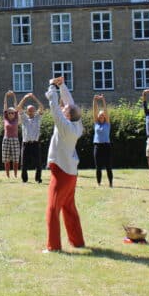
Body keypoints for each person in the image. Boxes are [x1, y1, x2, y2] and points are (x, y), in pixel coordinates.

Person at [44, 76, 85, 253]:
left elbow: (54, 107)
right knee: (69, 208)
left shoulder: (65, 126)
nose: (63, 106)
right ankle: (77, 241)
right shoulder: (77, 125)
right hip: (71, 174)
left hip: (61, 173)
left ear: (67, 115)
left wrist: (52, 86)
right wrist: (63, 86)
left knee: (53, 209)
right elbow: (71, 104)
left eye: (65, 109)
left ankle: (53, 246)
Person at [18, 93, 45, 184]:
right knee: (24, 163)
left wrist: (34, 98)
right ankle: (24, 179)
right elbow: (18, 108)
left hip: (35, 143)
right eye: (29, 110)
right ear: (27, 111)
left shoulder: (38, 117)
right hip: (26, 144)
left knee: (38, 163)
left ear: (34, 111)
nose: (31, 112)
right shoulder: (24, 118)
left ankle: (38, 179)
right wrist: (24, 98)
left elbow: (41, 107)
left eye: (33, 110)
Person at [92, 94, 113, 187]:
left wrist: (103, 100)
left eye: (102, 115)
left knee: (108, 166)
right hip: (97, 146)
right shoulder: (96, 123)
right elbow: (94, 111)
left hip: (106, 146)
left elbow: (105, 110)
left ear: (104, 117)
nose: (101, 116)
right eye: (99, 115)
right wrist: (95, 101)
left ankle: (111, 183)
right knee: (98, 167)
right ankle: (99, 183)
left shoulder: (107, 123)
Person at [2, 91, 21, 179]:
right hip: (6, 139)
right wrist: (5, 95)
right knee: (6, 158)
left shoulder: (16, 118)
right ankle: (7, 175)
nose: (11, 114)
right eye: (9, 112)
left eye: (12, 112)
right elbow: (5, 105)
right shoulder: (5, 119)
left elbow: (16, 106)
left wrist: (14, 96)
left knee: (16, 158)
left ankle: (16, 174)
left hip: (15, 139)